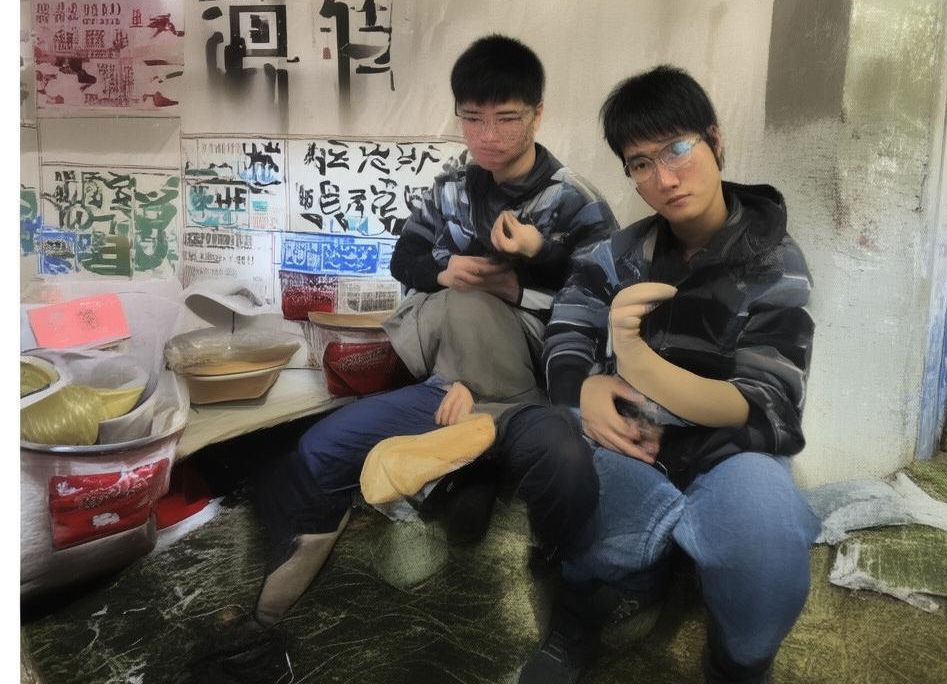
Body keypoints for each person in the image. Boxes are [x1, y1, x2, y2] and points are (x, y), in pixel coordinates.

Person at [248, 35, 617, 633]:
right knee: (320, 448)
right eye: (472, 118)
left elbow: (603, 301)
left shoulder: (572, 200)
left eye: (507, 118)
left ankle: (477, 463)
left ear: (538, 115)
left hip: (534, 383)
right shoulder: (452, 185)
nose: (487, 135)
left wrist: (529, 271)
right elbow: (406, 257)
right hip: (452, 375)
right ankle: (276, 599)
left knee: (544, 437)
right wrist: (444, 271)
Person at [514, 65, 821, 684]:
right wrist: (583, 388)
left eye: (678, 148)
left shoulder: (776, 262)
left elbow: (761, 402)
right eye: (641, 163)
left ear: (715, 139)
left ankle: (737, 660)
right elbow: (569, 325)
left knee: (767, 540)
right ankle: (588, 609)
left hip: (730, 451)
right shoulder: (620, 254)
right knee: (562, 466)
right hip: (629, 441)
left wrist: (637, 358)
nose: (665, 178)